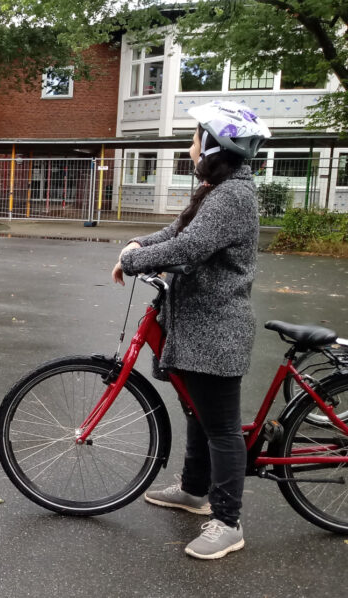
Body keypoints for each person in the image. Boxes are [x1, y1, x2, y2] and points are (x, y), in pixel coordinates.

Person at [112, 100, 270, 560]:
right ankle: (194, 491)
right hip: (198, 329)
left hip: (216, 332)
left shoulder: (232, 197)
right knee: (196, 413)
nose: (189, 145)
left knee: (221, 428)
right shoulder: (216, 189)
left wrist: (133, 259)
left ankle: (228, 522)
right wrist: (140, 244)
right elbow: (177, 230)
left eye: (195, 137)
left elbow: (191, 246)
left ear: (215, 146)